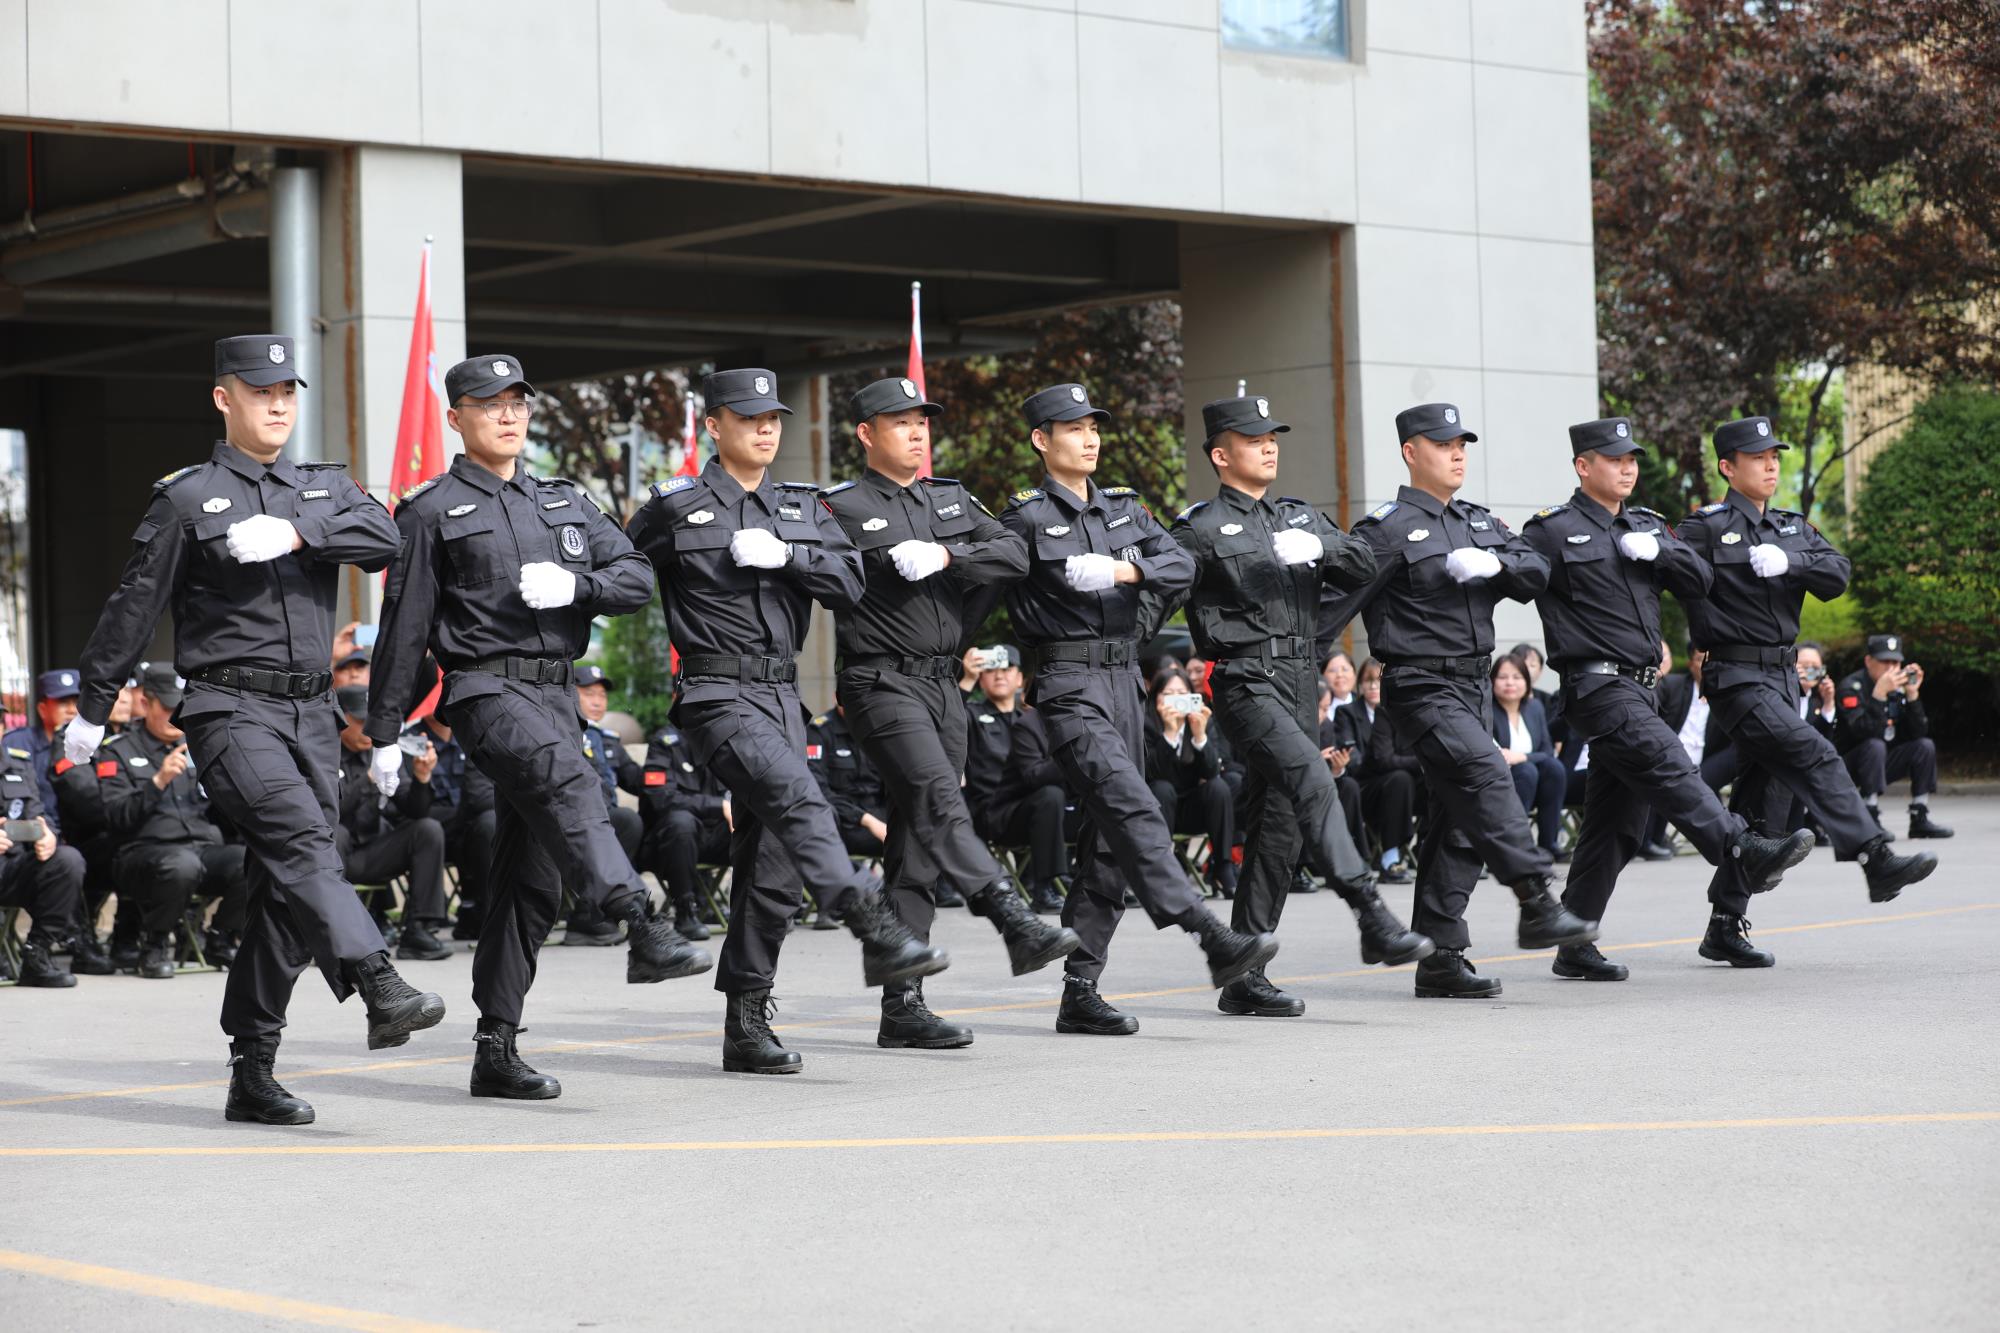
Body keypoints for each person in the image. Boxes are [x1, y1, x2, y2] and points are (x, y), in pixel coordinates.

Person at [67, 335, 444, 1126]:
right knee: (305, 844)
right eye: (259, 391)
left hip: (312, 714)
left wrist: (301, 532)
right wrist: (94, 706)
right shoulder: (187, 498)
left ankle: (252, 1068)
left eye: (286, 392)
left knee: (287, 883)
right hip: (229, 709)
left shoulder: (323, 487)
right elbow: (133, 606)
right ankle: (378, 979)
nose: (276, 404)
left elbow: (386, 540)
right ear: (223, 398)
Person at [368, 353, 707, 1103]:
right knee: (569, 778)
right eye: (490, 404)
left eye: (518, 402)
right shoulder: (429, 510)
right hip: (484, 686)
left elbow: (635, 576)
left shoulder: (565, 499)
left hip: (555, 691)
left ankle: (496, 1046)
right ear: (456, 417)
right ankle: (639, 923)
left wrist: (576, 585)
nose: (508, 415)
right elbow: (405, 626)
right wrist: (384, 729)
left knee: (531, 878)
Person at [627, 368, 947, 1074]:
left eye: (773, 417)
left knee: (771, 857)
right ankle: (867, 917)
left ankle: (746, 1019)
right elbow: (619, 576)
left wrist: (791, 555)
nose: (766, 428)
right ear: (715, 425)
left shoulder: (801, 507)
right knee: (796, 797)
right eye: (750, 418)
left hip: (780, 692)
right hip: (714, 689)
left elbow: (851, 584)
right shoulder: (674, 506)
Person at [997, 381, 1277, 1036]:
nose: (1089, 439)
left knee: (1110, 842)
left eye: (1094, 427)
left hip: (1125, 681)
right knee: (1133, 805)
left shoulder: (1124, 509)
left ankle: (1081, 989)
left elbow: (1179, 564)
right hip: (1069, 683)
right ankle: (1208, 932)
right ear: (1041, 440)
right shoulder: (1024, 520)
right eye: (1074, 429)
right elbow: (984, 591)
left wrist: (1125, 572)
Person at [817, 376, 1078, 1049]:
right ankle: (1011, 917)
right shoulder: (838, 506)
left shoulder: (951, 499)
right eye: (899, 422)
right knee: (938, 796)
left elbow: (1014, 552)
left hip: (943, 685)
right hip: (879, 679)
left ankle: (902, 1005)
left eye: (922, 422)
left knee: (917, 842)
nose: (916, 433)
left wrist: (947, 553)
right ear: (866, 434)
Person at [1522, 417, 1814, 977]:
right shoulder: (1552, 530)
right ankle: (1740, 845)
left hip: (1641, 686)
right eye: (1614, 459)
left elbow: (1699, 580)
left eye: (1632, 459)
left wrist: (1658, 553)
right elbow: (1518, 576)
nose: (1627, 468)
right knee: (1666, 758)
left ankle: (1574, 940)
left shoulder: (1649, 524)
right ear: (1583, 466)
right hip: (1595, 686)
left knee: (1616, 823)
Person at [1169, 392, 1427, 1019]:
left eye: (1272, 438)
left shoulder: (1299, 515)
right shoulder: (1199, 527)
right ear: (1220, 455)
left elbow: (1363, 562)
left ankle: (1245, 976)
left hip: (1299, 678)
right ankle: (1370, 912)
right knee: (1312, 779)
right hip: (1244, 679)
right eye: (1254, 440)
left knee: (1279, 826)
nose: (1269, 447)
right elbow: (1161, 590)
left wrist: (1321, 549)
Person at [1345, 402, 1597, 998]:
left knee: (1456, 816)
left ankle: (1440, 956)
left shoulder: (1478, 522)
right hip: (1418, 684)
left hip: (1473, 684)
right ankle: (1535, 899)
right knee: (1487, 771)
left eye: (1461, 445)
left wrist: (1496, 563)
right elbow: (1334, 606)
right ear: (1411, 453)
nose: (1457, 454)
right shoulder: (1383, 531)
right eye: (1443, 445)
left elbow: (1534, 569)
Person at [1676, 415, 1936, 932]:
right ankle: (1875, 857)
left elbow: (1838, 573)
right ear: (1728, 468)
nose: (1771, 465)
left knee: (1762, 800)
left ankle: (1725, 923)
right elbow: (1666, 565)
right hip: (1735, 675)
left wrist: (1792, 563)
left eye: (1774, 456)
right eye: (1757, 458)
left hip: (1782, 678)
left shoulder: (1791, 528)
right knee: (1813, 751)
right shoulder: (1704, 527)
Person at [95, 665, 251, 977]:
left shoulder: (198, 747)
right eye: (168, 707)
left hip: (198, 848)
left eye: (180, 708)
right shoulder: (118, 751)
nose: (175, 717)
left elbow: (220, 812)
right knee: (181, 865)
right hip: (141, 853)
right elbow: (115, 817)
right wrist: (158, 782)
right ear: (145, 703)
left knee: (253, 859)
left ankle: (220, 937)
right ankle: (153, 946)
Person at [332, 686, 451, 962]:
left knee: (427, 829)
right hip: (335, 857)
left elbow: (415, 809)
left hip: (373, 852)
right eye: (360, 721)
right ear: (342, 718)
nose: (366, 730)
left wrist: (422, 778)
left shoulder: (382, 752)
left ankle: (419, 930)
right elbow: (330, 811)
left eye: (370, 722)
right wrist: (369, 779)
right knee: (335, 833)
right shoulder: (326, 753)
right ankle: (334, 934)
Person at [964, 650, 1074, 915]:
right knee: (1049, 798)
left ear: (1020, 679)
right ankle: (1044, 888)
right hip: (993, 812)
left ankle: (1095, 881)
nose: (999, 675)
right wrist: (966, 679)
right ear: (981, 678)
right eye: (991, 669)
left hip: (1035, 806)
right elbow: (946, 722)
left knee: (1063, 799)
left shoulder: (1035, 720)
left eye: (1007, 669)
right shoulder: (971, 714)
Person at [562, 663, 650, 945]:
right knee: (623, 820)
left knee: (628, 819)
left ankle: (611, 909)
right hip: (572, 819)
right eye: (589, 694)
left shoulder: (607, 740)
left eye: (602, 695)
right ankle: (588, 916)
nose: (598, 701)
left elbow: (637, 780)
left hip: (604, 819)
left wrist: (665, 767)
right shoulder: (561, 734)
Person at [1832, 633, 1952, 840]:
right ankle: (1870, 815)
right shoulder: (1851, 687)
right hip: (1848, 765)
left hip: (1879, 763)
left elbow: (1918, 732)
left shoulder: (1899, 689)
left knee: (1924, 746)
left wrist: (1912, 695)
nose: (1890, 668)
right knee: (1874, 745)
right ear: (1868, 661)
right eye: (1884, 662)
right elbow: (1861, 731)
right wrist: (1878, 695)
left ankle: (1919, 816)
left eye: (1895, 663)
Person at [1143, 668, 1236, 898]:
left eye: (1181, 693)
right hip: (1159, 808)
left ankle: (1223, 866)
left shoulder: (1202, 720)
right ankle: (1164, 871)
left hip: (1192, 809)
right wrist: (1169, 734)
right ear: (1155, 698)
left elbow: (1212, 771)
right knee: (1162, 788)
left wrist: (1199, 737)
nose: (1175, 700)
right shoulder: (1146, 723)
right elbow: (1151, 772)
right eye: (1168, 694)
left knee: (1218, 787)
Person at [1, 742, 85, 988]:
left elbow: (37, 813)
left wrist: (48, 835)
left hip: (11, 867)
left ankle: (36, 954)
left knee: (67, 861)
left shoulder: (17, 764)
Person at [637, 722, 728, 940]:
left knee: (757, 823)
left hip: (715, 836)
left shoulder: (725, 740)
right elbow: (661, 798)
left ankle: (759, 910)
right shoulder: (665, 743)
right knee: (681, 822)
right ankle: (685, 912)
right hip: (671, 842)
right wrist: (719, 806)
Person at [1487, 653, 1566, 859]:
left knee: (1554, 769)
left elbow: (1547, 752)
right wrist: (1523, 761)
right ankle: (1517, 845)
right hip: (1499, 778)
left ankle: (1549, 844)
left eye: (1517, 677)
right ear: (1492, 681)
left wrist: (1522, 757)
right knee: (1527, 771)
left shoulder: (1535, 707)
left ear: (1527, 682)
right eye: (1503, 677)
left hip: (1532, 779)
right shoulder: (1486, 711)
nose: (1510, 683)